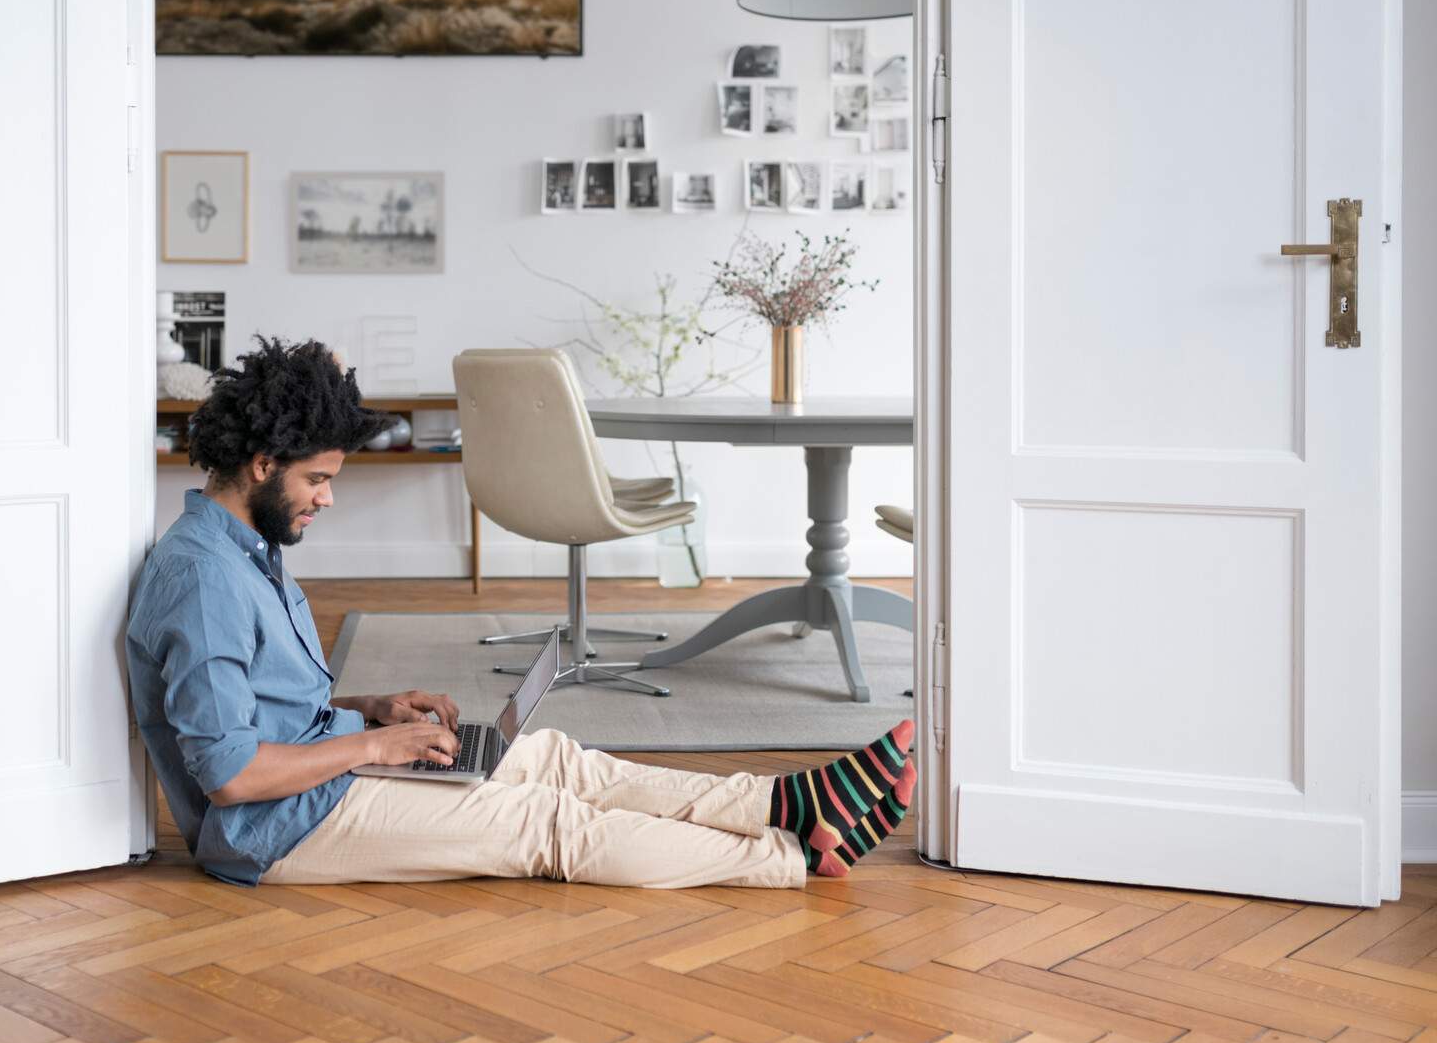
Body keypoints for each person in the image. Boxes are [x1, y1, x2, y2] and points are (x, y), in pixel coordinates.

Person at [127, 336, 916, 889]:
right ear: (263, 465)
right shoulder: (203, 580)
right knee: (546, 822)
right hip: (280, 831)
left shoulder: (245, 553)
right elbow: (229, 775)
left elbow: (258, 708)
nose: (327, 499)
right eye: (316, 481)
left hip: (321, 776)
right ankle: (791, 860)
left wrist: (368, 710)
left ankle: (782, 803)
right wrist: (382, 744)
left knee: (556, 759)